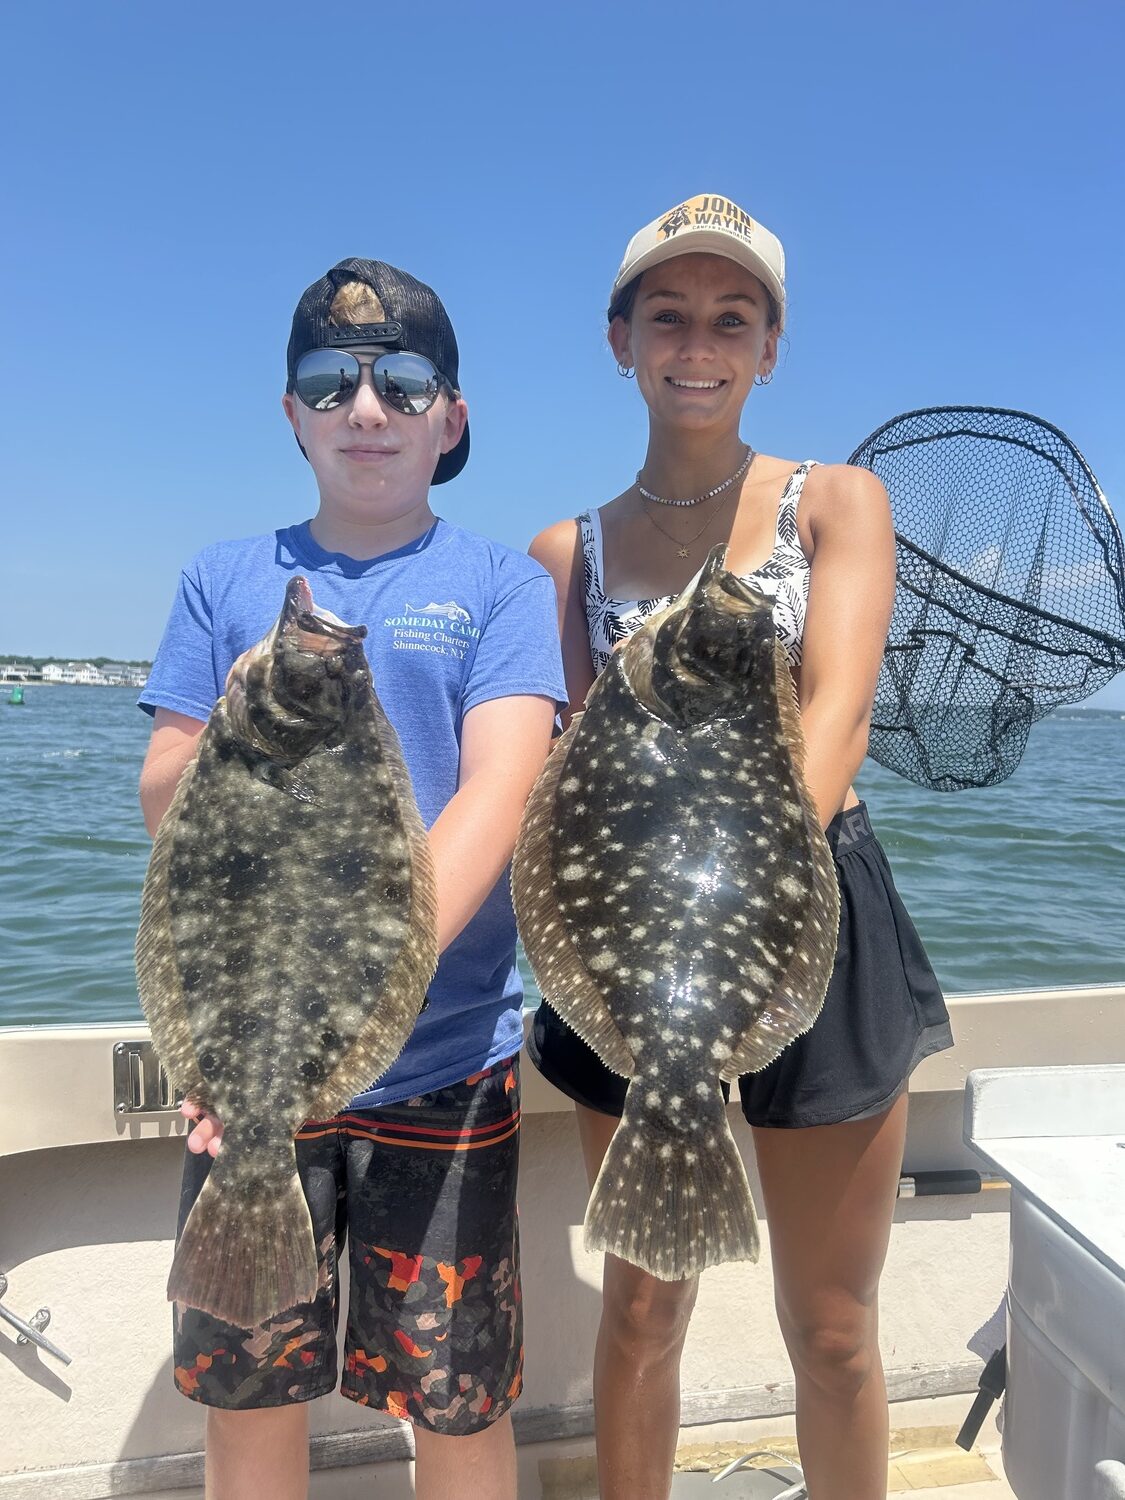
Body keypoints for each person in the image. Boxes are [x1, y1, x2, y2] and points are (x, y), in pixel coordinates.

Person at [526, 195, 954, 1500]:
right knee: (645, 1315)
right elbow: (561, 779)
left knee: (831, 1329)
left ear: (769, 346)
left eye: (732, 318)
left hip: (801, 912)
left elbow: (838, 712)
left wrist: (734, 920)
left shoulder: (838, 504)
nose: (697, 343)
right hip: (627, 952)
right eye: (669, 316)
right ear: (620, 341)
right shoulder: (566, 550)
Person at [138, 257, 565, 1500]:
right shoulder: (222, 582)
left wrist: (371, 970)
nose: (366, 409)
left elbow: (501, 787)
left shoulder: (500, 586)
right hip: (249, 1062)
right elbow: (167, 798)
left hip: (445, 1064)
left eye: (403, 382)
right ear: (291, 415)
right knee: (250, 1396)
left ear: (452, 416)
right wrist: (228, 727)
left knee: (455, 1403)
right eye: (329, 383)